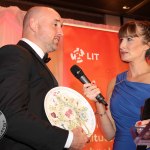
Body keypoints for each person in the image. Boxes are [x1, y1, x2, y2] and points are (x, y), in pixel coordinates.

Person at [0, 6, 89, 150]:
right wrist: (68, 138)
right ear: (34, 25)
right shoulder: (16, 54)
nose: (61, 32)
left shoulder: (34, 61)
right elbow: (9, 114)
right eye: (55, 25)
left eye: (62, 26)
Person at [83, 20, 150, 150]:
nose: (122, 46)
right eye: (121, 40)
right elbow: (109, 134)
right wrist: (98, 102)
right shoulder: (116, 82)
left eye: (129, 39)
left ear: (147, 45)